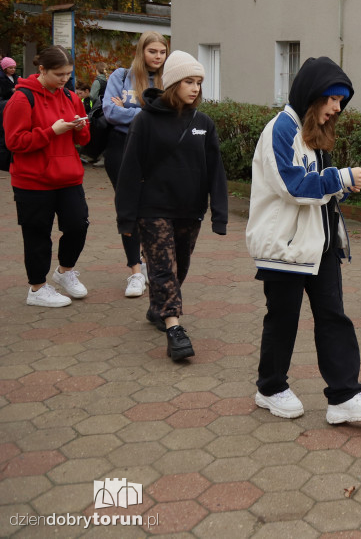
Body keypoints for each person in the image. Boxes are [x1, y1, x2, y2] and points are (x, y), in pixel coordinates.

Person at [246, 56, 361, 425]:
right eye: (333, 99)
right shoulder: (280, 129)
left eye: (341, 101)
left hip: (320, 247)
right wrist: (341, 177)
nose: (338, 108)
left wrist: (344, 185)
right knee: (283, 321)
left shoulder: (313, 134)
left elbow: (320, 190)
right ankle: (270, 388)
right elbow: (294, 187)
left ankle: (344, 396)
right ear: (312, 95)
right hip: (284, 249)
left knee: (334, 318)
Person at [115, 51, 228, 361]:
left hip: (190, 211)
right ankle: (175, 329)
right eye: (189, 81)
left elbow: (215, 169)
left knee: (179, 267)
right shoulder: (145, 120)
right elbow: (130, 171)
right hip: (153, 209)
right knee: (163, 267)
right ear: (173, 83)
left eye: (199, 83)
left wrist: (220, 213)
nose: (195, 88)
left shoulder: (203, 122)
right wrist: (125, 218)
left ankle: (159, 308)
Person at [3, 46, 91, 307]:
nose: (65, 79)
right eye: (59, 74)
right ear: (42, 69)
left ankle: (64, 272)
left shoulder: (70, 96)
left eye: (68, 74)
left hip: (68, 177)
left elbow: (82, 140)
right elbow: (15, 142)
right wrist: (51, 131)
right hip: (33, 181)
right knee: (37, 234)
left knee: (78, 226)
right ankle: (37, 288)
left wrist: (82, 127)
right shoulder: (21, 98)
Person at [102, 31, 168, 297]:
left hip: (155, 151)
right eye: (153, 51)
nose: (158, 57)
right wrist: (147, 112)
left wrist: (128, 111)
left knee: (152, 209)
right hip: (121, 149)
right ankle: (135, 271)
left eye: (162, 52)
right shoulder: (120, 76)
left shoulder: (168, 79)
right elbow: (109, 111)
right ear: (142, 52)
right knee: (129, 208)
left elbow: (170, 116)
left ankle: (151, 264)